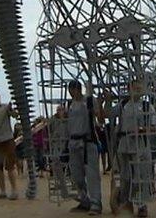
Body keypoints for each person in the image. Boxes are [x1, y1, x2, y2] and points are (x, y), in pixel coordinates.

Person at [104, 80, 155, 217]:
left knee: (140, 176)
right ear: (129, 88)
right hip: (124, 144)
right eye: (134, 86)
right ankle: (126, 204)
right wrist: (107, 101)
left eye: (139, 86)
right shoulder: (123, 105)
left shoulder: (146, 106)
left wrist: (141, 129)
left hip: (140, 144)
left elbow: (154, 126)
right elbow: (108, 115)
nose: (137, 89)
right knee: (125, 177)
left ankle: (142, 205)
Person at [66, 80, 102, 215]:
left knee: (92, 175)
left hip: (87, 141)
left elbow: (99, 116)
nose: (72, 93)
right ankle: (84, 199)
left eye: (73, 89)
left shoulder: (89, 100)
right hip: (73, 142)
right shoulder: (69, 104)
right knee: (77, 175)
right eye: (70, 90)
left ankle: (96, 203)